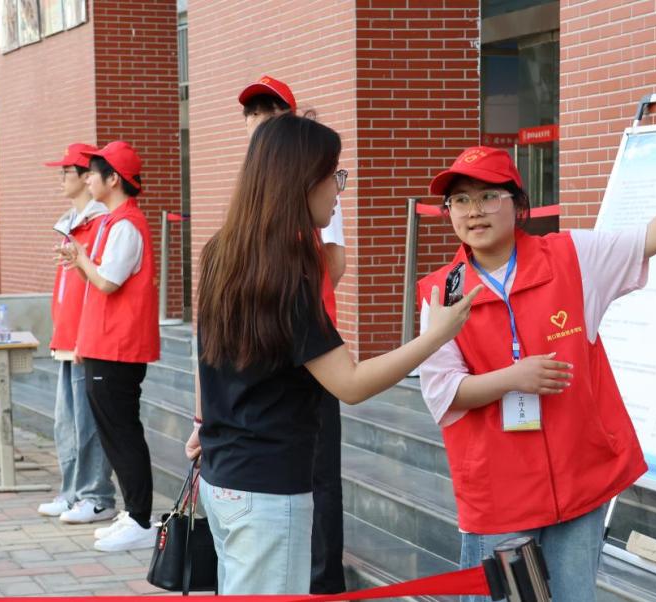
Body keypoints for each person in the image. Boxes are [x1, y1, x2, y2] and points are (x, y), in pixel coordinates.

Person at [417, 124, 656, 601]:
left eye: (487, 196)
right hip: (499, 492)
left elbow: (651, 239)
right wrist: (511, 378)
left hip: (579, 481)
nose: (473, 210)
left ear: (518, 205)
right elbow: (442, 392)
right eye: (460, 200)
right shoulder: (442, 291)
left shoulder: (571, 257)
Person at [184, 113, 480, 594]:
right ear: (301, 182)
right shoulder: (288, 271)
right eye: (334, 177)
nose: (339, 192)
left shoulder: (223, 251)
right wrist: (434, 336)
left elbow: (206, 350)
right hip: (267, 488)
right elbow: (350, 383)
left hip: (224, 474)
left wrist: (202, 421)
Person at [236, 75, 348, 594]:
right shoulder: (249, 197)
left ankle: (324, 581)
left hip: (311, 352)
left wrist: (294, 299)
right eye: (253, 112)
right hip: (265, 374)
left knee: (320, 472)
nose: (260, 121)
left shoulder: (314, 187)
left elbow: (336, 263)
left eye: (270, 111)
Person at [57, 141, 161, 552]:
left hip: (120, 347)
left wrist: (82, 260)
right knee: (115, 433)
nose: (87, 180)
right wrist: (80, 261)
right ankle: (133, 514)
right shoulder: (115, 222)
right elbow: (100, 281)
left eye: (93, 174)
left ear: (113, 179)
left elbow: (107, 282)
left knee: (122, 433)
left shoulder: (126, 225)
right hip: (106, 345)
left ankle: (140, 519)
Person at [38, 143, 117, 524]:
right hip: (66, 337)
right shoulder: (72, 223)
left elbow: (101, 286)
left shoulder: (101, 224)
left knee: (87, 424)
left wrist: (86, 334)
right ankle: (72, 492)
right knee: (65, 423)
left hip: (87, 339)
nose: (60, 178)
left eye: (66, 171)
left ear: (88, 177)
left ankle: (97, 495)